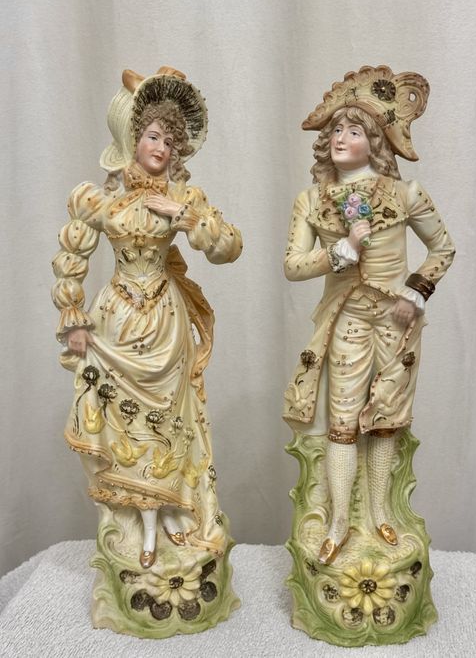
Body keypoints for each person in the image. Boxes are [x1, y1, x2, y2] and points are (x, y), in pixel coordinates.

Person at [52, 67, 242, 569]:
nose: (161, 148)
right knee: (123, 424)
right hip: (114, 322)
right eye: (153, 136)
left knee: (170, 422)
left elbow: (228, 247)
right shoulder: (103, 199)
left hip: (165, 322)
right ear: (132, 138)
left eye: (170, 141)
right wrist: (74, 318)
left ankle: (172, 510)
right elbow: (72, 255)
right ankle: (140, 522)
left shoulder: (181, 198)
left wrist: (184, 218)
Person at [283, 66, 455, 565]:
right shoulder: (311, 200)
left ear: (375, 142)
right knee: (341, 422)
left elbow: (443, 248)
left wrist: (416, 293)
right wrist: (341, 252)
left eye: (354, 130)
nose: (341, 138)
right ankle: (338, 521)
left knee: (385, 419)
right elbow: (293, 265)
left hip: (397, 322)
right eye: (336, 129)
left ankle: (380, 513)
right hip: (349, 319)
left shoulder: (404, 194)